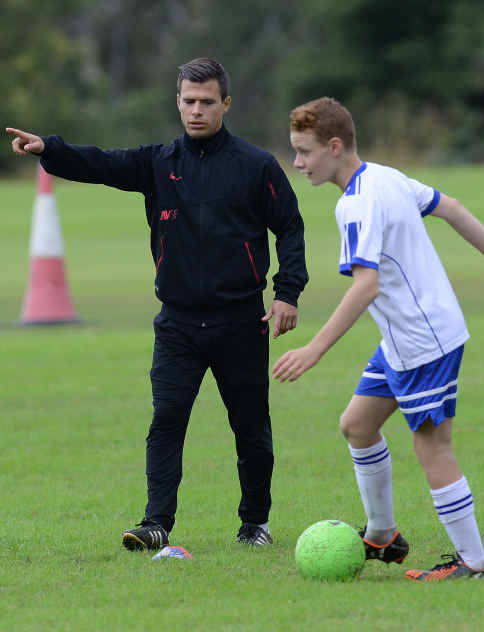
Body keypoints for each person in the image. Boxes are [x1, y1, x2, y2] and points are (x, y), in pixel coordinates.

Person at [6, 58, 309, 549]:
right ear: (178, 103)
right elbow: (101, 163)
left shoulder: (256, 166)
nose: (196, 110)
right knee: (166, 419)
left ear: (226, 104)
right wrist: (50, 150)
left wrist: (287, 293)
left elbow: (290, 226)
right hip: (178, 324)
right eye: (189, 101)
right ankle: (156, 523)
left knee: (250, 427)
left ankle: (255, 524)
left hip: (241, 320)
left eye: (206, 101)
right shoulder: (159, 162)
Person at [273, 97, 484, 581]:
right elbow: (452, 208)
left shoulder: (355, 204)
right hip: (405, 338)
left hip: (423, 340)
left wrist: (314, 349)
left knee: (432, 448)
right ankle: (383, 535)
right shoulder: (385, 175)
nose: (297, 162)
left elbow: (366, 286)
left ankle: (474, 564)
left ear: (334, 146)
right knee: (358, 425)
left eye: (304, 151)